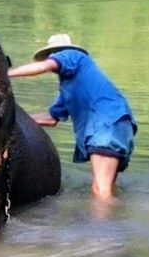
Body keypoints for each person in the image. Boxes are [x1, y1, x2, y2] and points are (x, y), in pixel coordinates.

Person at [8, 34, 137, 203]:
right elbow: (51, 119)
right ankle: (111, 221)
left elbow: (45, 66)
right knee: (107, 188)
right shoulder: (69, 88)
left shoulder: (73, 56)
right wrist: (15, 117)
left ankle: (103, 229)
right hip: (119, 125)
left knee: (100, 191)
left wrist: (5, 74)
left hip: (105, 126)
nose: (52, 60)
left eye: (52, 56)